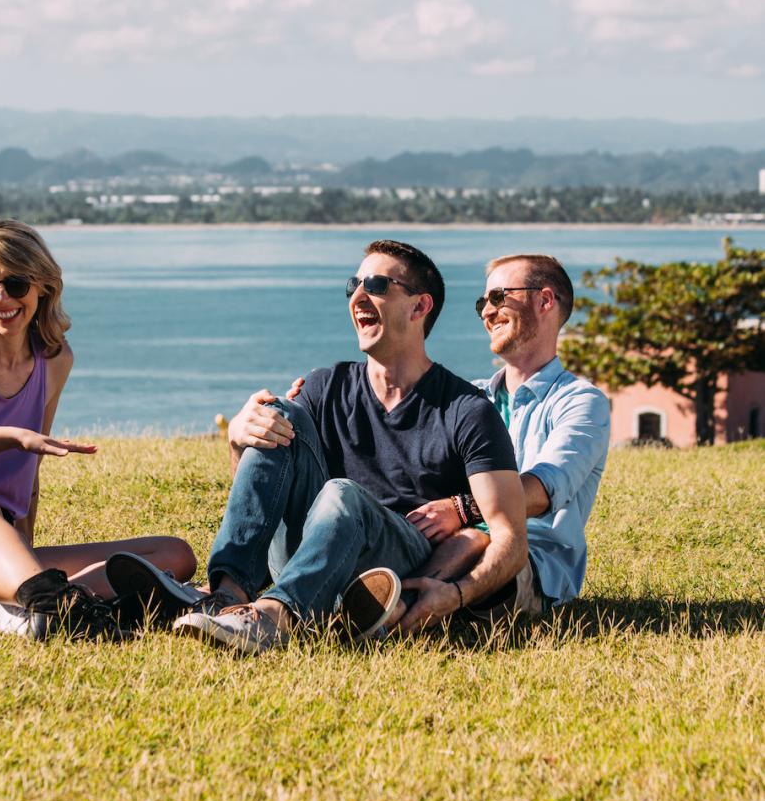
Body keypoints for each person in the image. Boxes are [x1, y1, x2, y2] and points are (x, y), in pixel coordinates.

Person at [116, 239, 527, 655]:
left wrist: (456, 594)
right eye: (354, 285)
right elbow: (265, 489)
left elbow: (510, 535)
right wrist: (239, 438)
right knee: (279, 413)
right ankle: (226, 596)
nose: (359, 296)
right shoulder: (324, 387)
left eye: (378, 285)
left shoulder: (466, 410)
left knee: (340, 493)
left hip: (391, 565)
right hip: (307, 549)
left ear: (420, 307)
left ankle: (274, 616)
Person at [0, 219, 196, 630]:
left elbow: (29, 476)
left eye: (16, 284)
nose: (1, 297)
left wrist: (23, 549)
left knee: (176, 554)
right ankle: (44, 601)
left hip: (2, 546)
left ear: (43, 287)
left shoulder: (54, 361)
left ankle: (33, 595)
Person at [357, 253, 611, 634]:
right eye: (482, 303)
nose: (486, 313)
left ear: (545, 301)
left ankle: (386, 612)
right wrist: (309, 402)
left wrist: (461, 509)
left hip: (530, 565)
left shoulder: (580, 402)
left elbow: (544, 489)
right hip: (441, 546)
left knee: (473, 538)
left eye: (497, 298)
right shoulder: (471, 398)